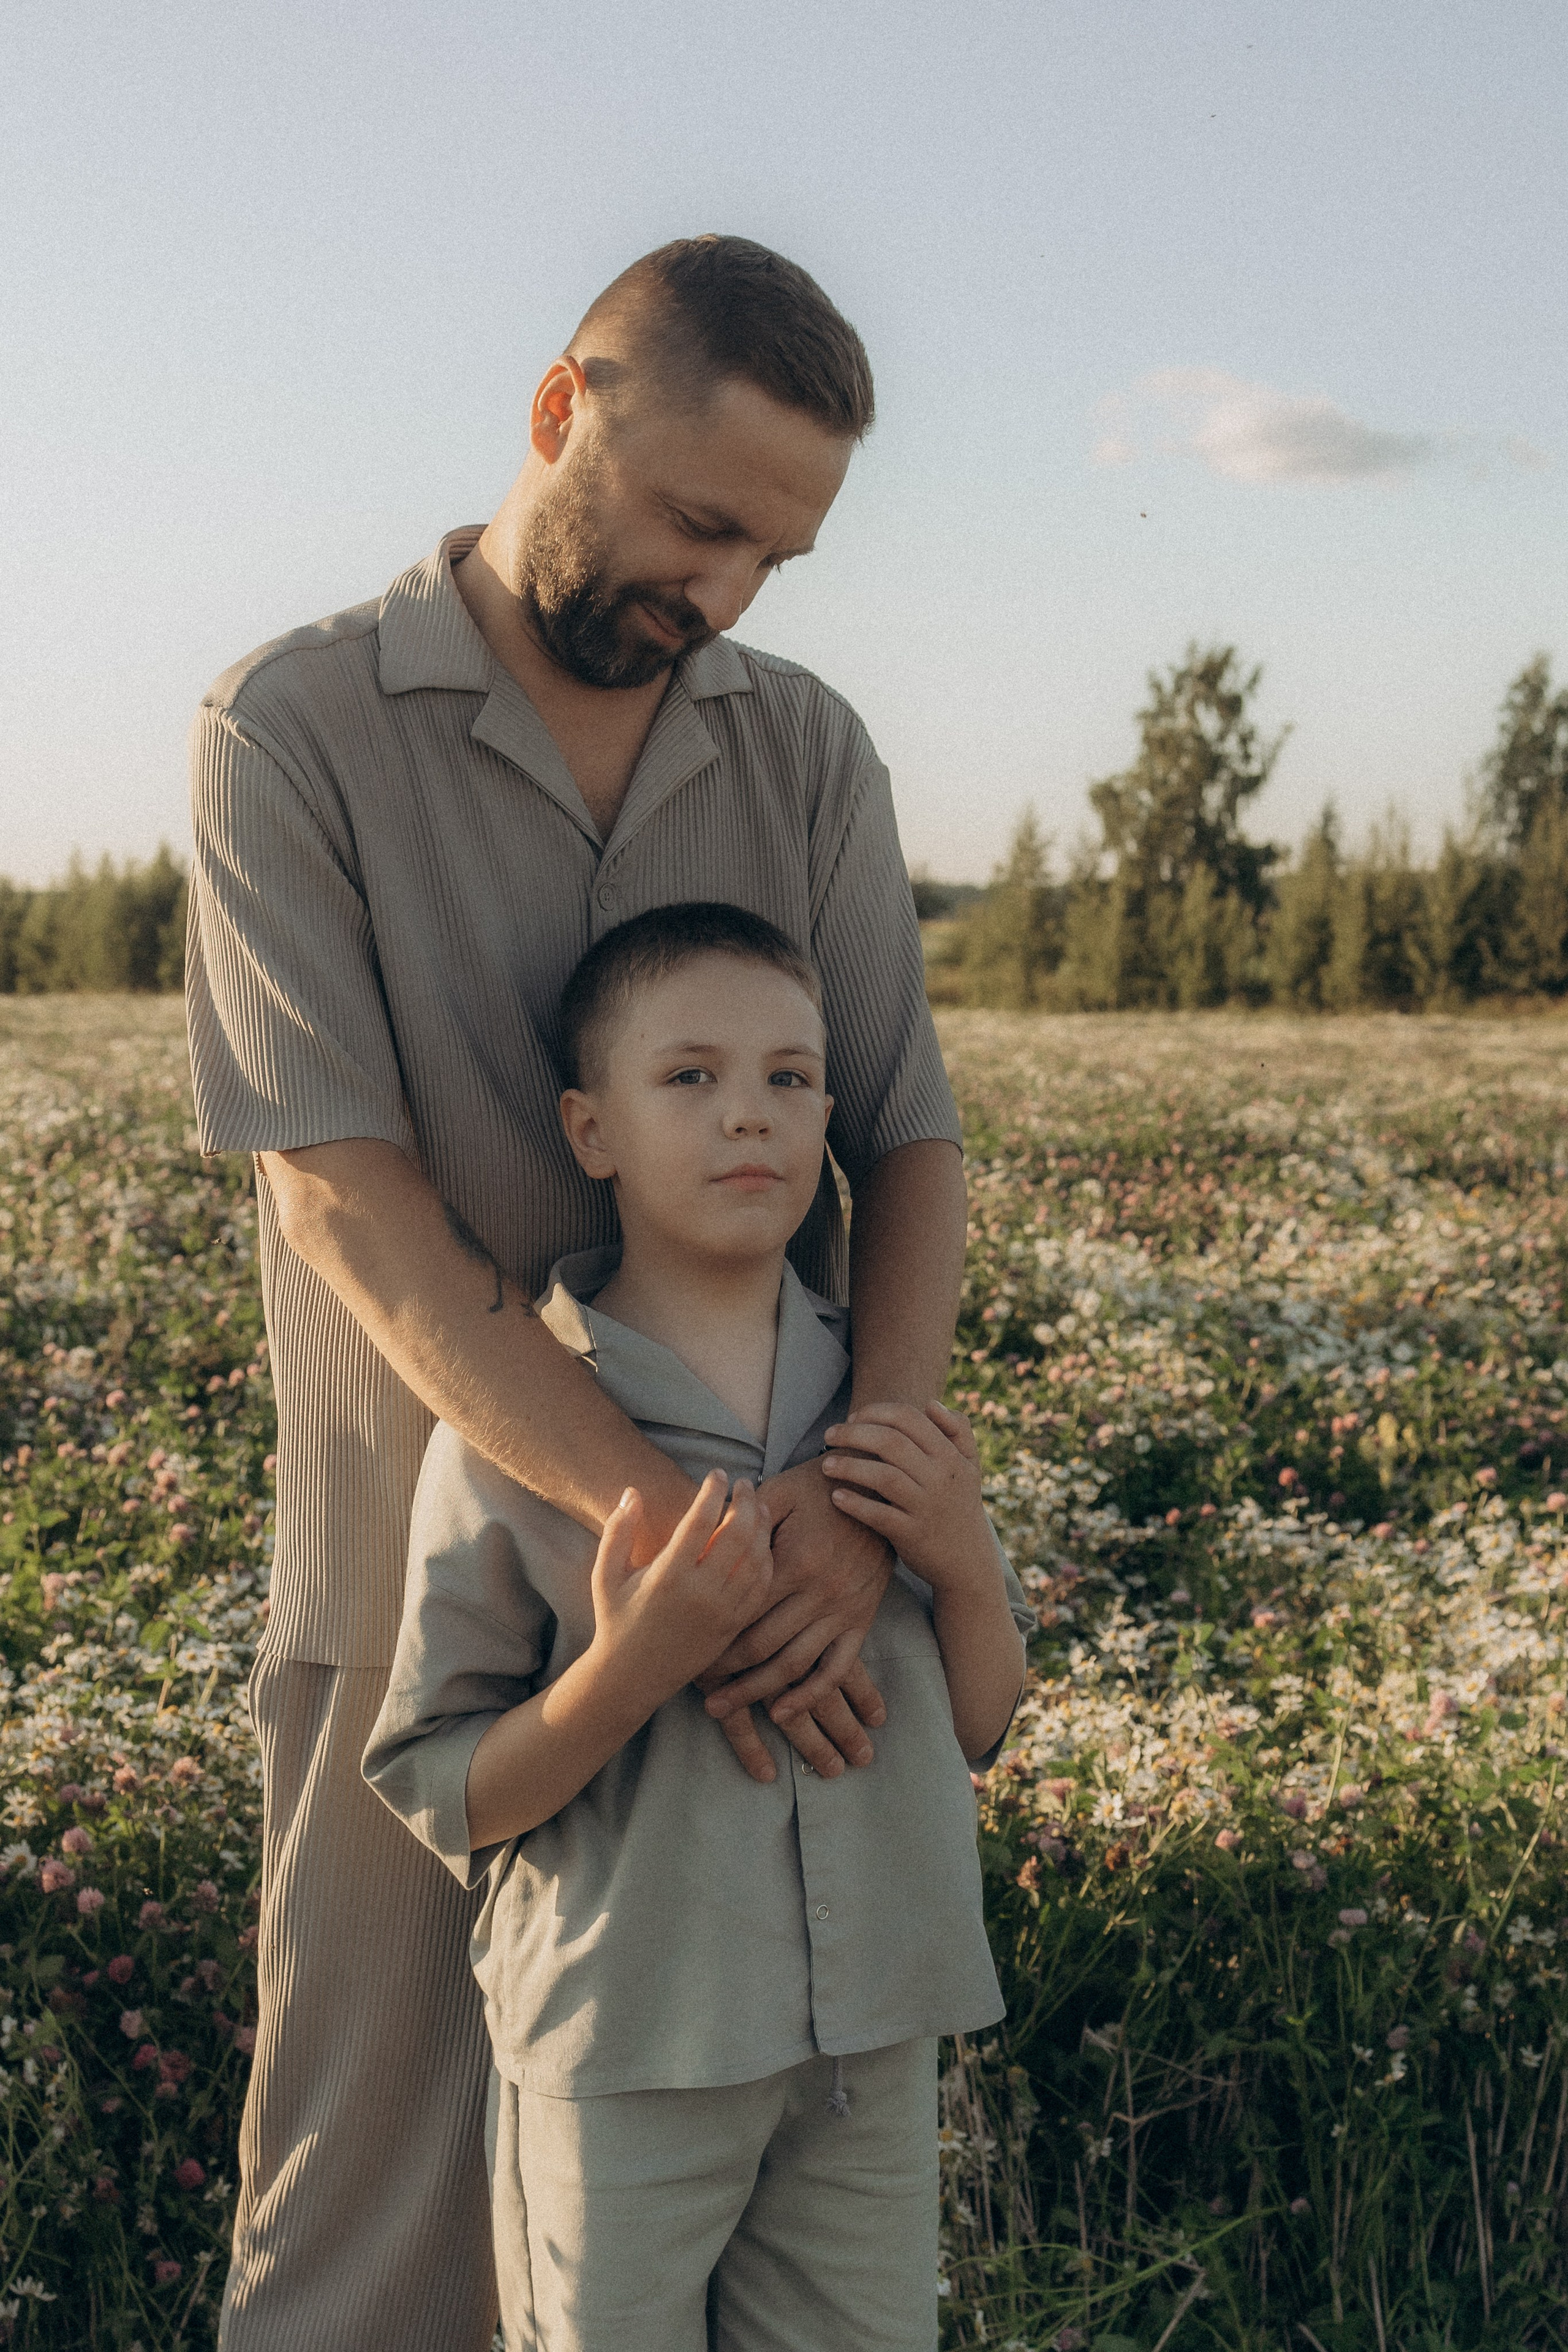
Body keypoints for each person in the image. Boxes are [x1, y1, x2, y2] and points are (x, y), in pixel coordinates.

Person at [186, 235, 970, 2349]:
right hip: (420, 1597)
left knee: (749, 2233)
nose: (726, 591)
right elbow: (347, 1207)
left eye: (775, 554)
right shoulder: (290, 729)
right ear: (563, 409)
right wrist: (688, 1542)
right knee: (365, 2224)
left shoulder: (807, 751)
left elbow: (907, 1140)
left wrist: (853, 1509)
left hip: (792, 1602)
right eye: (700, 521)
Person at [364, 904, 1031, 2351]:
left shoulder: (880, 1406)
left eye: (791, 1078)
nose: (748, 1114)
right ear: (588, 1130)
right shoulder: (520, 1431)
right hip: (624, 2052)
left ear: (831, 1122)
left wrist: (961, 1565)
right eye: (689, 1077)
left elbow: (977, 1723)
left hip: (867, 2044)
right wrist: (630, 1668)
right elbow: (445, 1788)